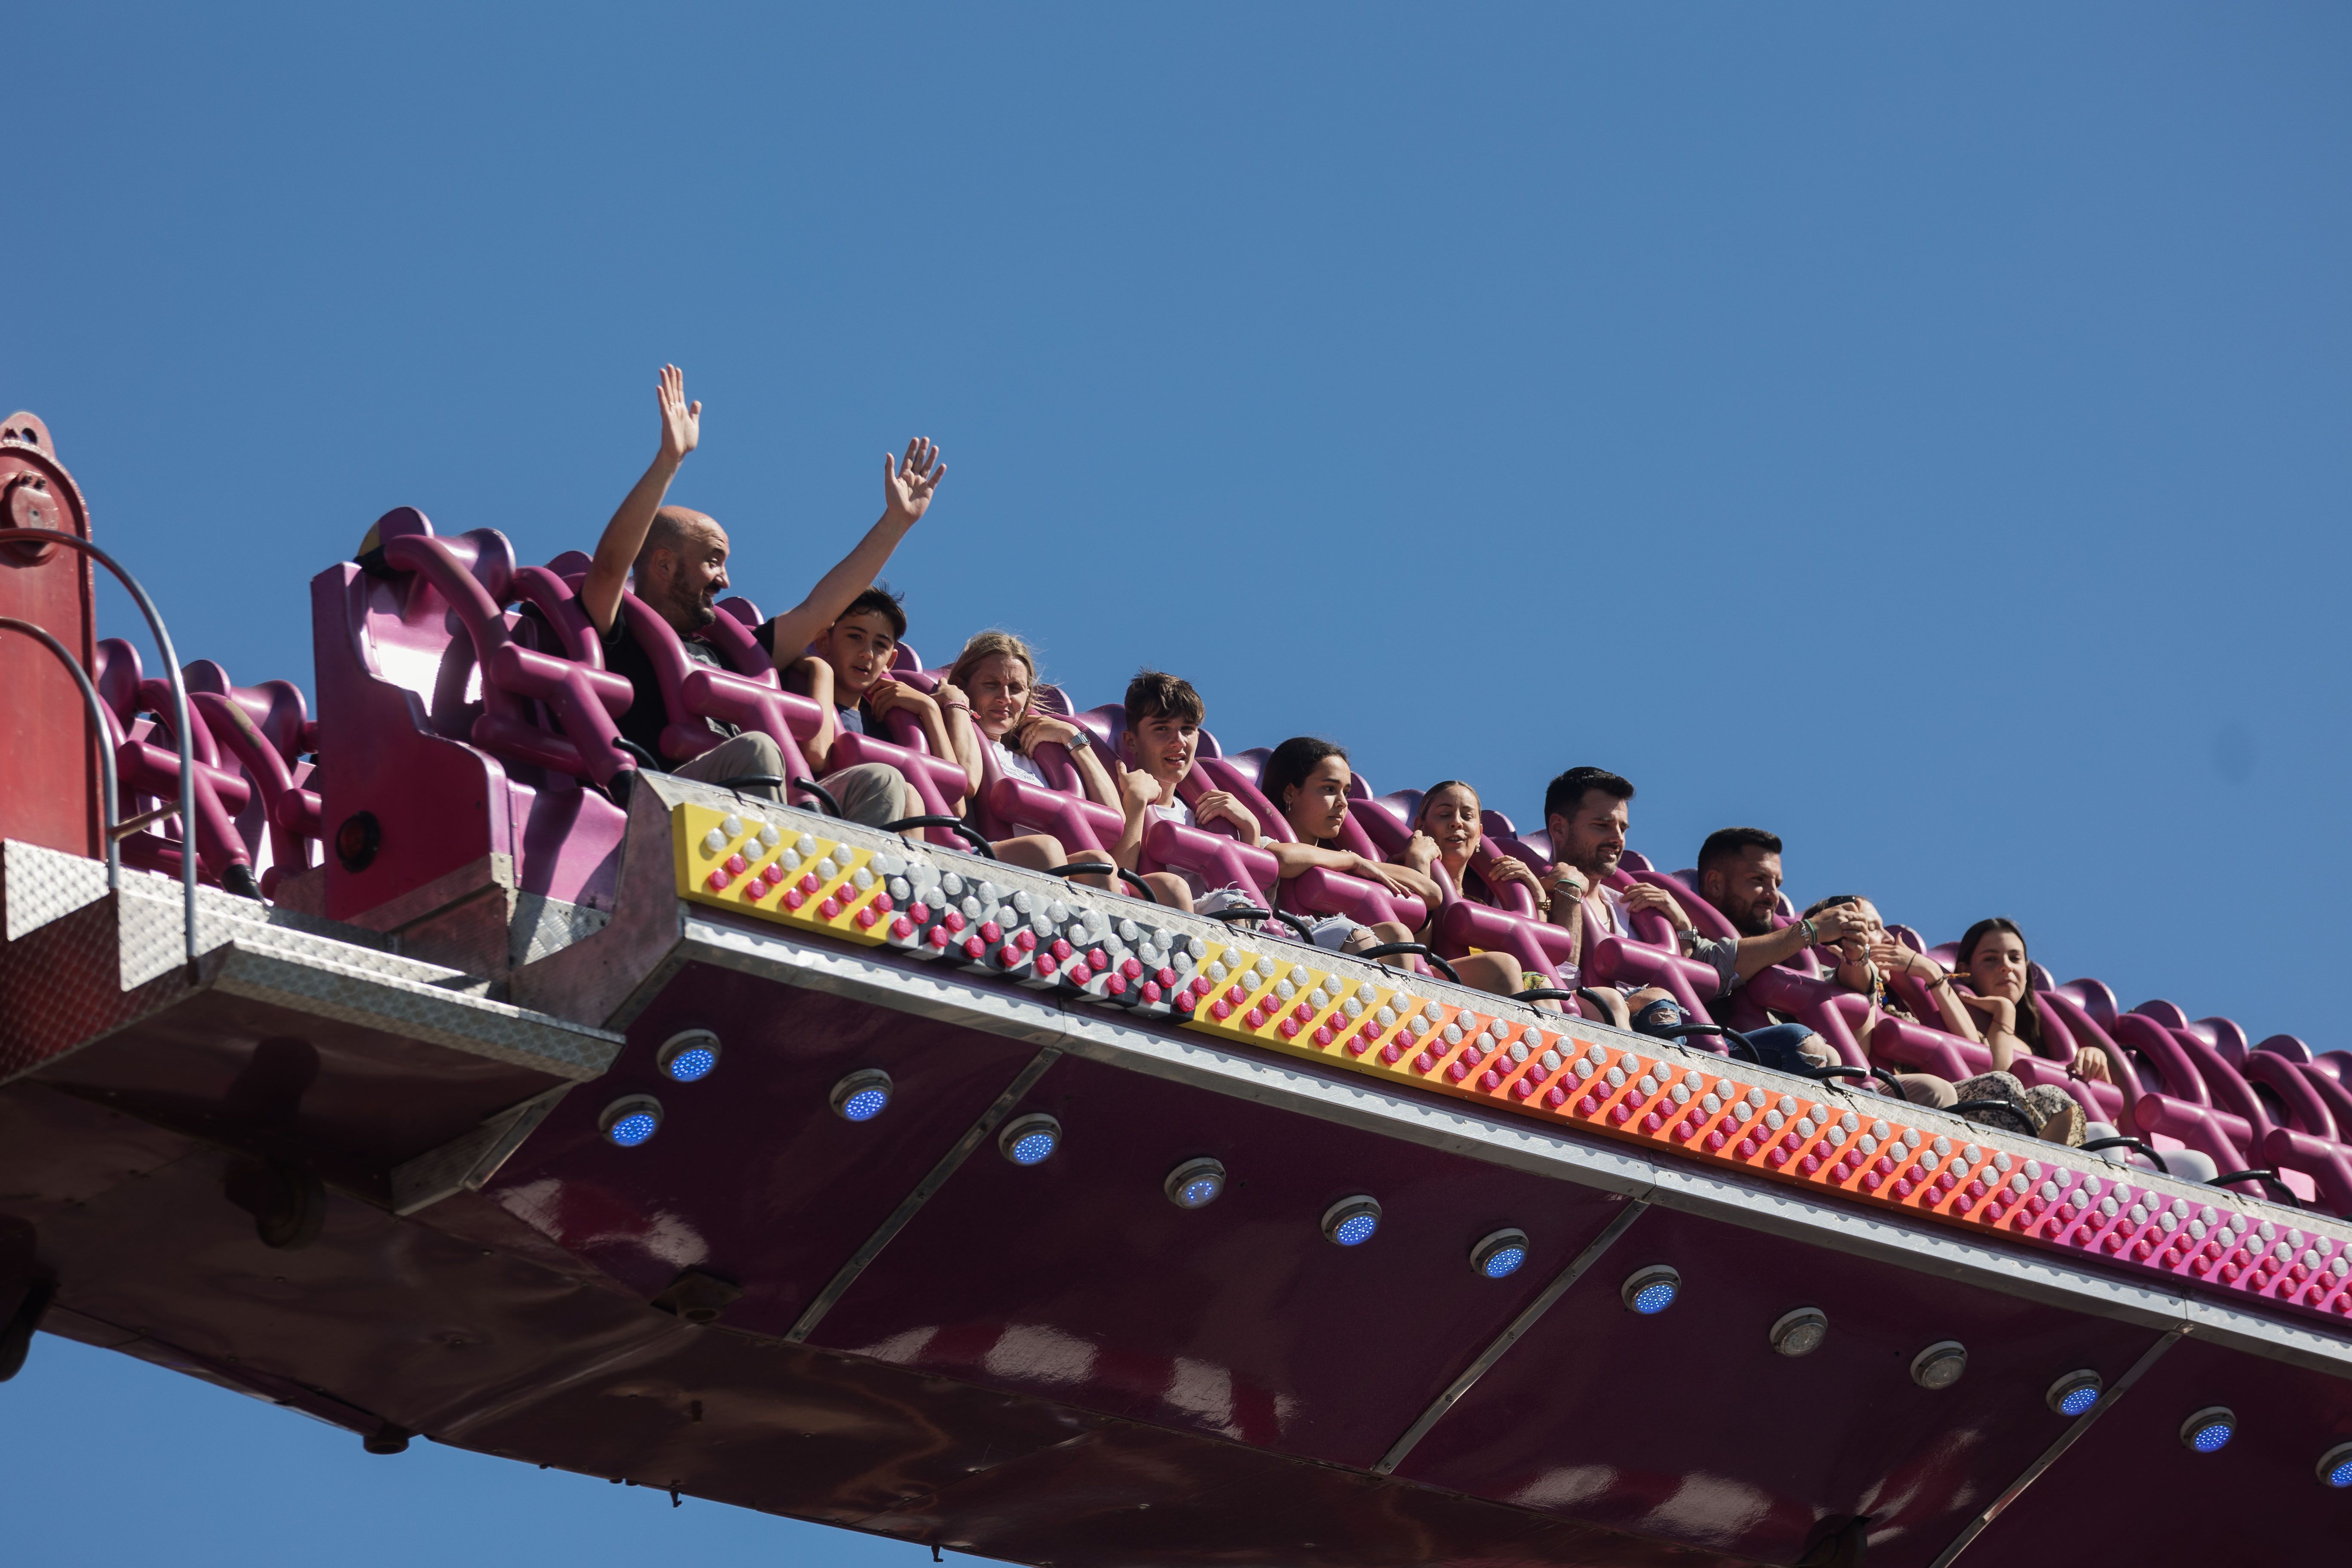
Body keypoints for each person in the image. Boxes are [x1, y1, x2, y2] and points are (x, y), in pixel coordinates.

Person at [576, 364, 936, 829]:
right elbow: (609, 567)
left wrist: (895, 525)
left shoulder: (730, 650)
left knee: (880, 781)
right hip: (663, 803)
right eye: (713, 561)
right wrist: (669, 461)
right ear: (664, 566)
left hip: (763, 812)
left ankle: (840, 893)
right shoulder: (619, 631)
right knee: (757, 750)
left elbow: (820, 608)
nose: (725, 580)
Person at [930, 629, 1173, 891]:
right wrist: (957, 706)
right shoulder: (952, 734)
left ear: (1027, 698)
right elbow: (965, 780)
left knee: (1102, 864)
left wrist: (1074, 739)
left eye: (1016, 689)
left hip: (1053, 870)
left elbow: (1113, 818)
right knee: (1046, 849)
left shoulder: (1039, 757)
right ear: (966, 687)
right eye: (991, 685)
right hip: (981, 861)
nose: (1005, 697)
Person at [1107, 671, 1264, 912]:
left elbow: (1255, 899)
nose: (1178, 741)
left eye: (1188, 729)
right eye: (1162, 729)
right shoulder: (1114, 797)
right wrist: (1137, 802)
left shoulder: (1205, 818)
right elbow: (1114, 886)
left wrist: (1250, 828)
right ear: (1131, 742)